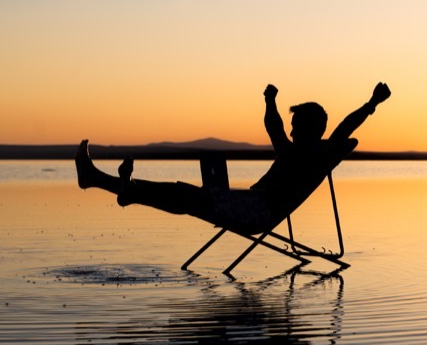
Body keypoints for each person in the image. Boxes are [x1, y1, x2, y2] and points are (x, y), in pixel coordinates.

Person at [75, 82, 391, 233]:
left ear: (313, 129)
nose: (292, 133)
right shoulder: (301, 151)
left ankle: (125, 191)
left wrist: (372, 102)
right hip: (248, 204)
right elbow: (280, 131)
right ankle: (107, 183)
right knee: (188, 195)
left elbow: (342, 128)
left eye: (297, 128)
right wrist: (270, 102)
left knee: (187, 196)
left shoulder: (316, 155)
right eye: (292, 128)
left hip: (258, 214)